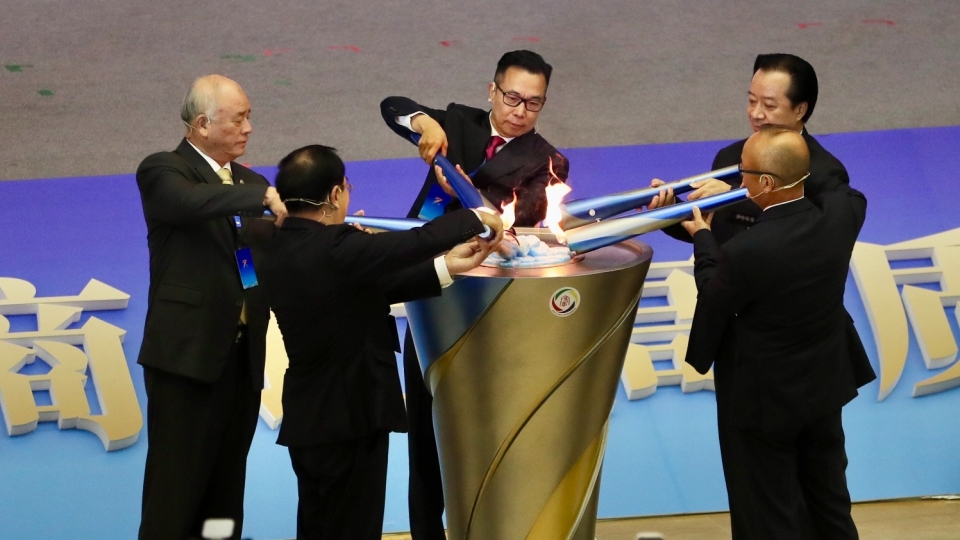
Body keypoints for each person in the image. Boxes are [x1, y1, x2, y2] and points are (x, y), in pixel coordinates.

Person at [257, 145, 503, 539]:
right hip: (352, 417)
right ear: (335, 194)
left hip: (310, 417)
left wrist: (447, 266)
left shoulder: (276, 247)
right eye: (347, 187)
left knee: (318, 526)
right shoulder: (336, 246)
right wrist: (475, 216)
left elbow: (365, 289)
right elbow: (410, 244)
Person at [379, 49, 567, 539]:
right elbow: (391, 107)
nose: (520, 111)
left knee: (482, 443)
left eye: (533, 103)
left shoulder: (548, 162)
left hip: (489, 313)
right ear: (492, 90)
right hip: (429, 300)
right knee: (424, 442)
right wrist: (424, 123)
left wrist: (466, 196)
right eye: (512, 97)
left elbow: (521, 231)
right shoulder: (458, 123)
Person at [681, 126, 875, 539]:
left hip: (764, 399)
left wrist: (704, 239)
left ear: (766, 183)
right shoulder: (843, 216)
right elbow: (840, 188)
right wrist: (795, 156)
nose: (739, 180)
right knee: (829, 499)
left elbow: (714, 296)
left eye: (744, 173)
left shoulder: (746, 250)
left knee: (772, 510)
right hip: (825, 386)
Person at [135, 74, 287, 540]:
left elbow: (251, 261)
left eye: (249, 117)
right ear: (202, 124)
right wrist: (259, 197)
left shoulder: (250, 182)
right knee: (175, 491)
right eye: (238, 119)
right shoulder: (164, 170)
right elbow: (187, 203)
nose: (249, 128)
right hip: (186, 358)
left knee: (226, 490)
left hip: (240, 360)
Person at [650, 53, 849, 245]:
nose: (755, 113)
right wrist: (671, 209)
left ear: (800, 110)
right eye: (752, 101)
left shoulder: (826, 172)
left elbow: (814, 234)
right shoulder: (729, 156)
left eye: (769, 106)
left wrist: (733, 196)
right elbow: (711, 233)